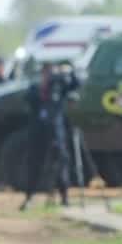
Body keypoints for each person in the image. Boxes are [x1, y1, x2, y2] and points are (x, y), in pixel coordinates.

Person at [19, 61, 79, 209]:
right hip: (38, 132)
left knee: (61, 162)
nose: (49, 75)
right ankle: (29, 197)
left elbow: (76, 84)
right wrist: (41, 89)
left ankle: (64, 196)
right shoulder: (35, 88)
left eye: (51, 72)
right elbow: (27, 99)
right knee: (35, 163)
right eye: (46, 72)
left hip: (56, 132)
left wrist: (69, 71)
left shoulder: (59, 86)